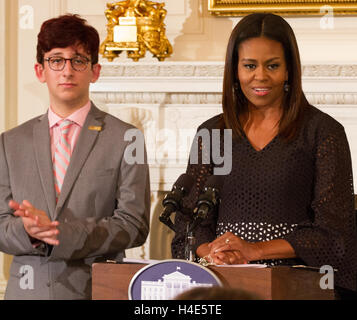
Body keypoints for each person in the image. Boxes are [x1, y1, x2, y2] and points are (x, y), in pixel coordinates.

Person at [171, 13, 357, 299]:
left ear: (289, 71)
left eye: (272, 65)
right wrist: (215, 252)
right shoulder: (212, 132)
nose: (260, 76)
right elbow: (190, 221)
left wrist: (253, 250)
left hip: (298, 283)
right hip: (223, 281)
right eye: (249, 65)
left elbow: (334, 233)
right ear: (234, 70)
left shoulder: (324, 132)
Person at [0, 14, 150, 300]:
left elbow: (134, 224)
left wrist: (61, 233)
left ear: (94, 71)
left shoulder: (127, 138)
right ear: (39, 70)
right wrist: (29, 231)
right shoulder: (10, 143)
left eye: (78, 60)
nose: (67, 71)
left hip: (98, 290)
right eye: (56, 60)